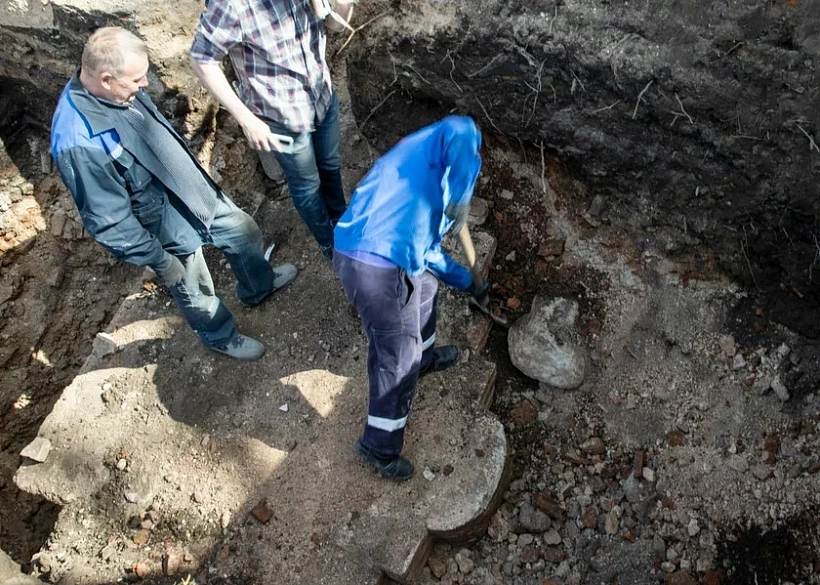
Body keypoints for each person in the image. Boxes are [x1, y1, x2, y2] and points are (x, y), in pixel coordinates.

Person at [51, 26, 297, 361]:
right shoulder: (78, 142)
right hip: (163, 223)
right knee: (194, 288)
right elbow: (110, 222)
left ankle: (258, 286)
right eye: (137, 79)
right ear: (106, 78)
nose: (145, 84)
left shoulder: (120, 91)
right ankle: (219, 335)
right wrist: (159, 260)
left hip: (192, 189)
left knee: (244, 233)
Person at [333, 116, 491, 481]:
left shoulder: (421, 146)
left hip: (366, 241)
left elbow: (426, 259)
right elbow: (427, 252)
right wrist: (470, 282)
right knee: (397, 355)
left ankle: (427, 357)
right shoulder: (427, 190)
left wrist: (457, 201)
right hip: (373, 266)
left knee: (426, 286)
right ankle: (379, 446)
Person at [189, 0, 354, 262]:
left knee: (330, 162)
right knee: (307, 184)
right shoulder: (233, 5)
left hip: (321, 97)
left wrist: (344, 4)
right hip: (280, 117)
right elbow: (201, 58)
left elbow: (334, 26)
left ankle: (342, 221)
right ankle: (329, 244)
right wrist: (246, 119)